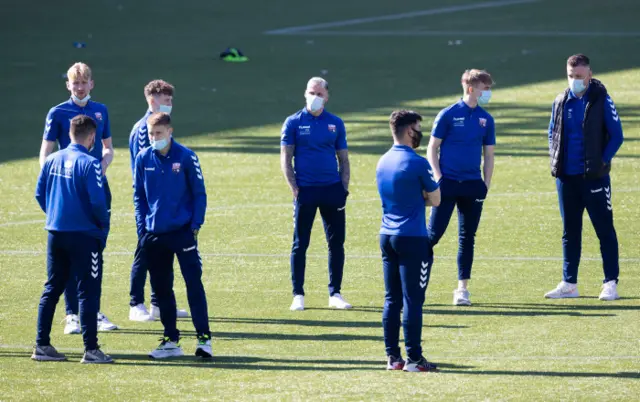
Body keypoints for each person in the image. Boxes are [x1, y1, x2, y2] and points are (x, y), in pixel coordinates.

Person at [38, 62, 118, 334]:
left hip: (96, 185)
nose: (80, 87)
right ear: (68, 85)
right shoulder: (58, 112)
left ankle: (91, 310)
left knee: (94, 249)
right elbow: (45, 152)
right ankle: (73, 313)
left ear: (92, 84)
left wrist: (103, 165)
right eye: (76, 83)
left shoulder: (101, 110)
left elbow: (108, 148)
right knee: (72, 250)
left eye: (84, 82)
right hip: (71, 188)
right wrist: (54, 182)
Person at [32, 115, 113, 364]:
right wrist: (102, 228)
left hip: (56, 234)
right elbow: (98, 202)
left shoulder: (52, 160)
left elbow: (39, 194)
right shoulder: (91, 164)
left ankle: (42, 345)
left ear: (69, 134)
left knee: (52, 287)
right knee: (88, 290)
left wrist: (57, 214)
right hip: (85, 236)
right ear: (91, 137)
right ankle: (91, 349)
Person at [545, 54, 624, 301]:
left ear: (589, 74)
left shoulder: (602, 100)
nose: (575, 81)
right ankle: (569, 283)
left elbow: (617, 136)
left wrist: (601, 162)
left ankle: (610, 282)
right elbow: (552, 133)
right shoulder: (560, 101)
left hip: (594, 178)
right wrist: (556, 160)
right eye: (571, 76)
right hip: (566, 178)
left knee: (604, 230)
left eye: (579, 76)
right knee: (570, 231)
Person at [133, 113, 212, 358]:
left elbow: (200, 194)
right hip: (154, 235)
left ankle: (204, 339)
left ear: (170, 132)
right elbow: (139, 197)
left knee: (193, 284)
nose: (153, 138)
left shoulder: (187, 157)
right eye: (150, 133)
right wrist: (142, 228)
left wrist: (195, 227)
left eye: (158, 133)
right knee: (162, 288)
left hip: (183, 233)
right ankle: (170, 340)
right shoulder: (143, 158)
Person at [376, 110, 441, 372]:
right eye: (416, 127)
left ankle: (393, 357)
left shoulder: (382, 161)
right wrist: (420, 199)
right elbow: (436, 200)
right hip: (412, 237)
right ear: (408, 130)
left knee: (392, 299)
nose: (419, 132)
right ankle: (414, 359)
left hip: (387, 235)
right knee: (413, 299)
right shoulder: (416, 163)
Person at [280, 77, 352, 311]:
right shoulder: (293, 123)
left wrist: (343, 188)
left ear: (327, 97)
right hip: (306, 190)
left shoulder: (336, 123)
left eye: (320, 94)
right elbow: (286, 158)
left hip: (332, 190)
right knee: (300, 243)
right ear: (305, 94)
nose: (315, 97)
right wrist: (294, 187)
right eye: (312, 93)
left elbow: (343, 158)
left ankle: (335, 293)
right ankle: (298, 294)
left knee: (336, 243)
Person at [426, 69, 496, 306]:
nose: (488, 93)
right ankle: (415, 282)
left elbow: (489, 154)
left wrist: (485, 184)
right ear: (471, 89)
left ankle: (462, 289)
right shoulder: (448, 114)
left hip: (472, 185)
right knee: (432, 236)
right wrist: (438, 178)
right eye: (485, 88)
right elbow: (431, 148)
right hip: (447, 185)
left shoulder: (486, 119)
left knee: (467, 237)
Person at [127, 79, 188, 322]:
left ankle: (158, 303)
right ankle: (135, 303)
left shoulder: (159, 126)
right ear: (152, 100)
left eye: (171, 101)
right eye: (166, 101)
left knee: (161, 254)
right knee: (145, 251)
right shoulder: (145, 130)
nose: (170, 105)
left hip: (161, 204)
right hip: (150, 204)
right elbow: (146, 169)